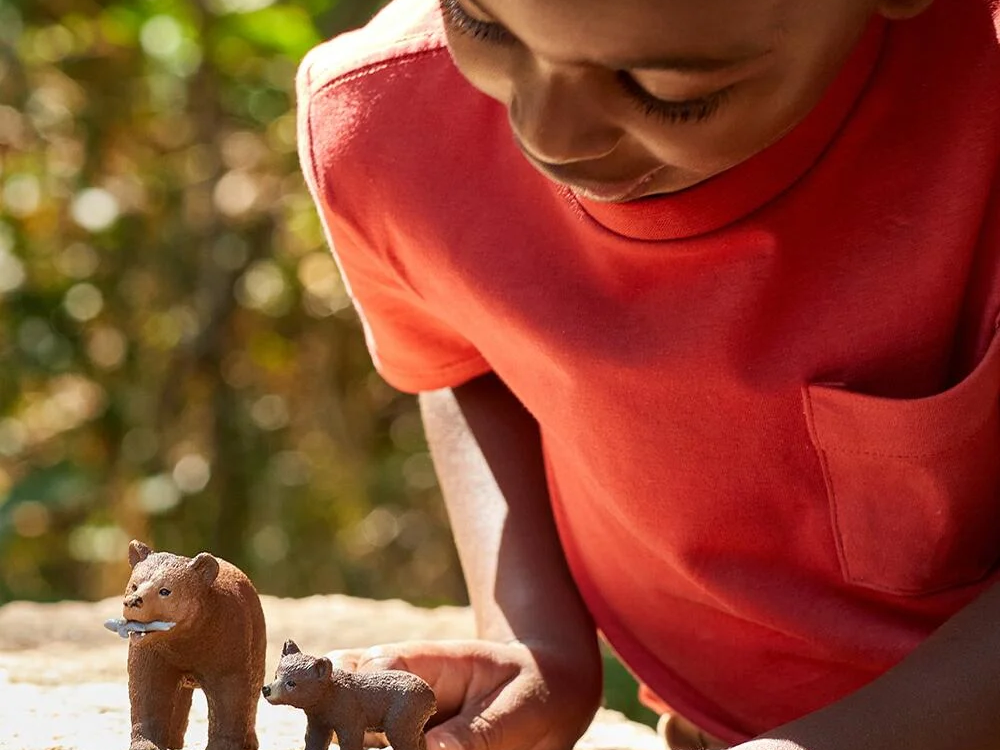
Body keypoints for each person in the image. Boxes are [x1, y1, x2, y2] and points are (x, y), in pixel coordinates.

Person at [295, 0, 1000, 749]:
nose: (548, 135)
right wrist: (536, 638)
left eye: (666, 89)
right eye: (483, 26)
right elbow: (466, 349)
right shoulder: (391, 118)